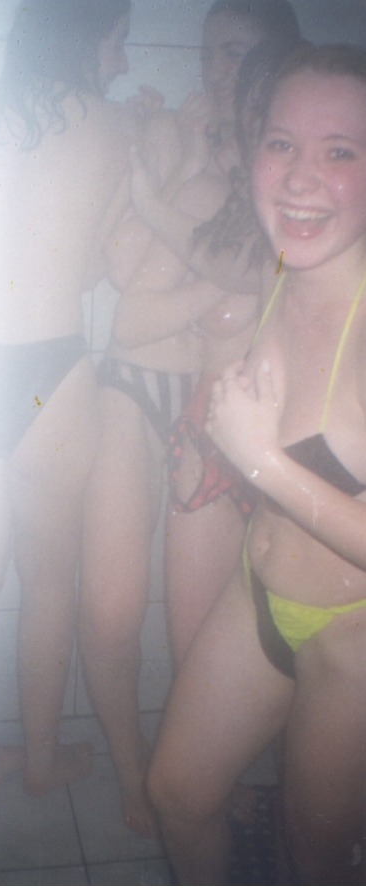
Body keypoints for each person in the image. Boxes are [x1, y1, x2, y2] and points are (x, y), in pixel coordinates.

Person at [147, 43, 366, 885]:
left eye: (338, 151)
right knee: (177, 793)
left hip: (350, 639)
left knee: (312, 860)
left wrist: (260, 462)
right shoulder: (280, 264)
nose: (301, 176)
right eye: (281, 143)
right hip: (257, 592)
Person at [79, 0, 299, 837]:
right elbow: (126, 294)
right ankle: (156, 778)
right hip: (177, 407)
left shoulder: (293, 179)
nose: (216, 72)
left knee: (269, 641)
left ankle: (252, 785)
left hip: (268, 433)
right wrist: (171, 166)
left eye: (235, 54)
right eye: (208, 55)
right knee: (141, 617)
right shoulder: (182, 135)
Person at [0, 0, 135, 800]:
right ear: (86, 37)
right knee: (47, 585)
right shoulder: (113, 127)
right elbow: (97, 268)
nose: (121, 62)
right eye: (117, 43)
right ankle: (39, 763)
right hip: (51, 375)